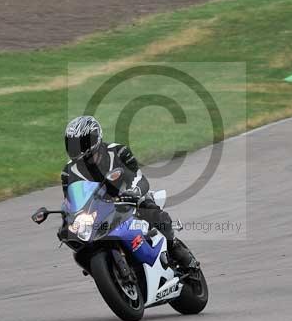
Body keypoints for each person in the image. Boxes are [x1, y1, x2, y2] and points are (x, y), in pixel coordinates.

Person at [61, 115, 198, 269]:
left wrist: (134, 192)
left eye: (83, 143)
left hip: (129, 198)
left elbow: (139, 178)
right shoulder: (68, 172)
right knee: (82, 243)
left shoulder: (118, 152)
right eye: (73, 145)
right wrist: (66, 221)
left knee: (155, 213)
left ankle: (176, 249)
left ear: (95, 139)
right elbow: (71, 201)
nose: (78, 150)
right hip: (98, 210)